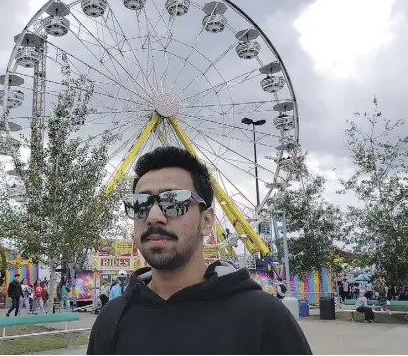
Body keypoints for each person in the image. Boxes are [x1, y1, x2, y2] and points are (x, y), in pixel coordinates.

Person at [87, 147, 311, 354]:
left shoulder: (264, 318)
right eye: (140, 204)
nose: (154, 216)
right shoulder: (110, 319)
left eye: (173, 201)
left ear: (206, 221)